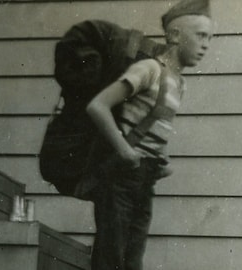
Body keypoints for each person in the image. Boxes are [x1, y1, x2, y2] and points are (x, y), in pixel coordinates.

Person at [84, 0, 213, 269]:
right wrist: (126, 152)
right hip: (120, 174)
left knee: (132, 261)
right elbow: (97, 107)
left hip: (144, 178)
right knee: (111, 259)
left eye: (210, 38)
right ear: (175, 35)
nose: (206, 45)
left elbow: (151, 124)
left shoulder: (180, 82)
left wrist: (159, 158)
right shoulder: (149, 70)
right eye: (200, 35)